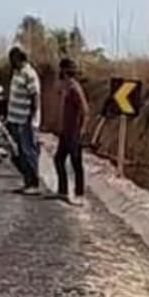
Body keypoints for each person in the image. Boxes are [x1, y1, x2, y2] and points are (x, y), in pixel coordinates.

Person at [5, 46, 41, 194]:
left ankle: (34, 184)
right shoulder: (17, 72)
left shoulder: (29, 74)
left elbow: (35, 96)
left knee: (28, 151)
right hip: (14, 119)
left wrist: (31, 117)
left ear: (19, 58)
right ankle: (27, 182)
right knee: (19, 152)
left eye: (12, 59)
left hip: (24, 120)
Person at [54, 57, 88, 205]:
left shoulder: (74, 88)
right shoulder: (67, 87)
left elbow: (85, 111)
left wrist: (82, 131)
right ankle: (62, 191)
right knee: (59, 159)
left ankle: (79, 194)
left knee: (76, 163)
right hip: (66, 133)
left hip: (73, 133)